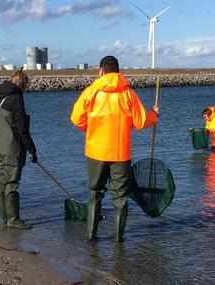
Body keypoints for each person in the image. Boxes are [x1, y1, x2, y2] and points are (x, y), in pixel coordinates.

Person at [70, 55, 159, 242]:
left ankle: (90, 236)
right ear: (118, 71)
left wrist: (92, 128)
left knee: (95, 192)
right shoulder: (128, 93)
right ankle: (119, 240)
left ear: (101, 71)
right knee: (120, 197)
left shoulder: (91, 92)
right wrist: (154, 115)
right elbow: (141, 121)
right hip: (120, 151)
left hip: (95, 151)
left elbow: (76, 118)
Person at [0, 68, 37, 229]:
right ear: (22, 84)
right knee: (11, 183)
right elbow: (22, 129)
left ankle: (5, 217)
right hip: (12, 148)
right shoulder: (16, 99)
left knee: (2, 182)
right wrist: (32, 150)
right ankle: (13, 219)